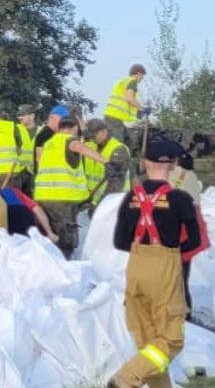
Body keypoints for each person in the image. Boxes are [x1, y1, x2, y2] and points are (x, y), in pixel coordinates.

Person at [106, 139, 209, 388]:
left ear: (146, 164)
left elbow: (119, 240)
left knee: (150, 337)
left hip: (136, 265)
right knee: (171, 338)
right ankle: (127, 378)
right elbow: (195, 240)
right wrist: (171, 253)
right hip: (164, 266)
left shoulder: (131, 198)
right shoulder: (180, 199)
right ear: (174, 166)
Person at [31, 117, 110, 258]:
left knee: (50, 236)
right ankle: (65, 265)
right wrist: (105, 161)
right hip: (63, 199)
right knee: (65, 239)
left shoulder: (49, 143)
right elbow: (78, 147)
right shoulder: (69, 140)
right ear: (74, 128)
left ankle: (51, 264)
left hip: (43, 197)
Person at [82, 119, 137, 207]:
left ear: (104, 131)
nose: (91, 138)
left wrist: (100, 206)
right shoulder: (89, 146)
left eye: (94, 135)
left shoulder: (118, 150)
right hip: (94, 202)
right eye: (90, 136)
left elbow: (116, 185)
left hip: (115, 203)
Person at [102, 64, 149, 149]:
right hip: (115, 118)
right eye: (142, 75)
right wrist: (142, 109)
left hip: (112, 117)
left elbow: (125, 101)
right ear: (138, 73)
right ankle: (115, 161)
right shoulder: (132, 81)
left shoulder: (122, 82)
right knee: (117, 145)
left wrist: (138, 111)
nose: (142, 78)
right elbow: (130, 98)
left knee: (127, 142)